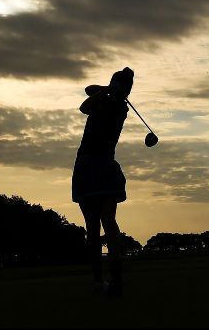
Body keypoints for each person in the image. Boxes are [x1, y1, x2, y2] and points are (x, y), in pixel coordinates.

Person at [72, 67, 134, 297]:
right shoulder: (108, 98)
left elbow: (84, 106)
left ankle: (113, 281)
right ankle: (100, 281)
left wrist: (108, 90)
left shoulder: (117, 107)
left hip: (98, 165)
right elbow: (89, 90)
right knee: (93, 227)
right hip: (91, 166)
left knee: (106, 221)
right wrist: (108, 88)